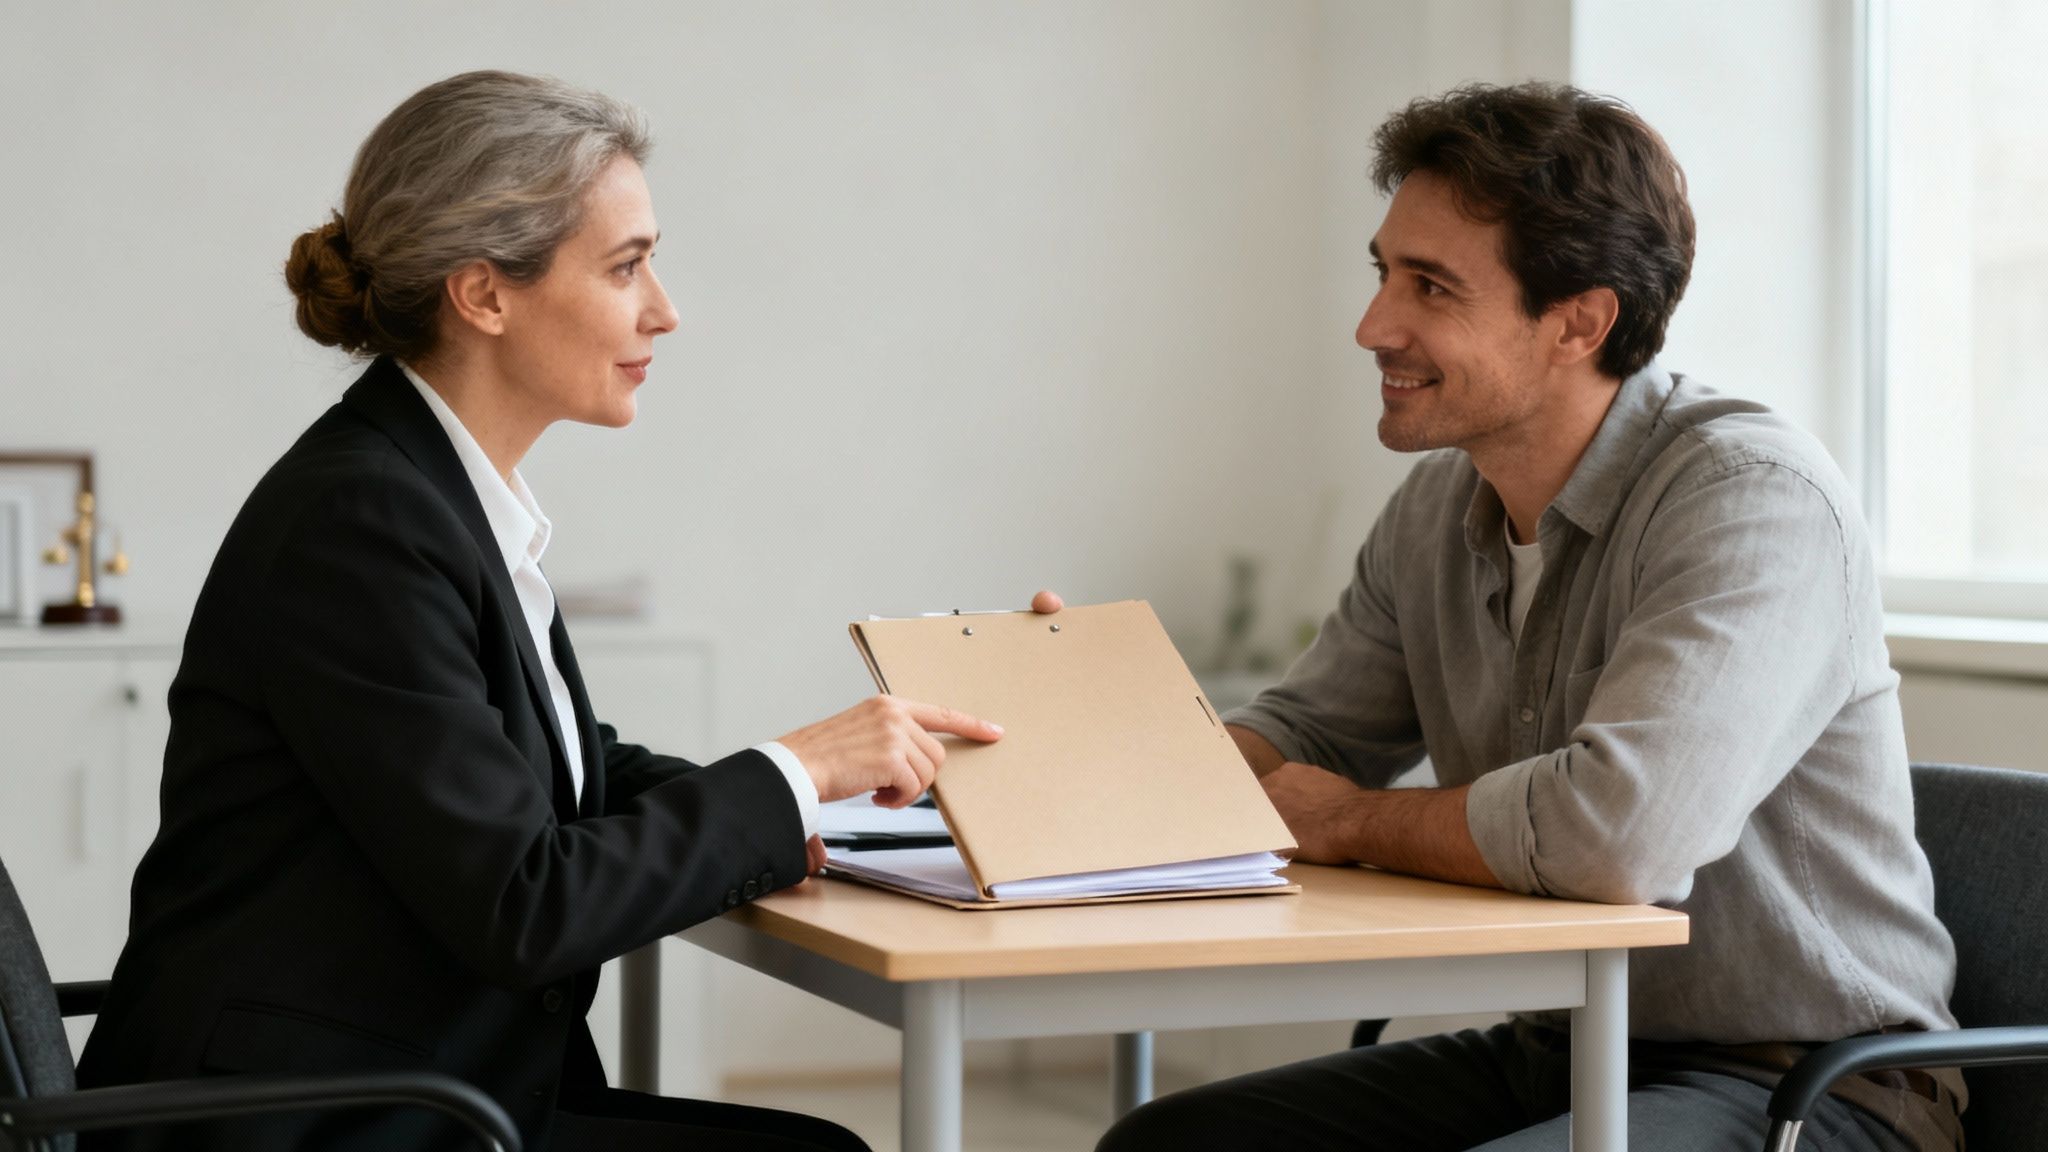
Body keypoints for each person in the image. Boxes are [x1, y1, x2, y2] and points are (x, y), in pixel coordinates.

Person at [75, 69, 1057, 1152]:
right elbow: (527, 901)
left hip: (413, 1086)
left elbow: (562, 774)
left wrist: (841, 796)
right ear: (485, 294)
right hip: (308, 1123)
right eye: (626, 266)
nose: (664, 310)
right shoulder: (361, 523)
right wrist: (792, 775)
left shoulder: (430, 495)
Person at [1098, 82, 1964, 1152]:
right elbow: (1306, 737)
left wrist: (1346, 821)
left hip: (1813, 1087)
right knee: (1171, 1147)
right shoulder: (1434, 505)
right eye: (1382, 273)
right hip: (1564, 1050)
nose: (1373, 325)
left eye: (1430, 286)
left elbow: (1615, 837)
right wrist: (1093, 756)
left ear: (1578, 322)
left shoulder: (1750, 499)